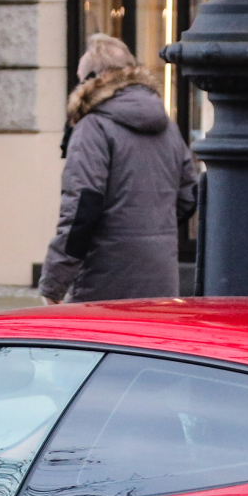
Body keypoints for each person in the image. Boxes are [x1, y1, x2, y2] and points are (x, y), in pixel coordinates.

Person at [41, 35, 198, 303]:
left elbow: (81, 210)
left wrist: (53, 285)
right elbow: (189, 196)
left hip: (105, 281)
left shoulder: (93, 127)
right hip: (162, 279)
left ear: (93, 80)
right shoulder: (168, 127)